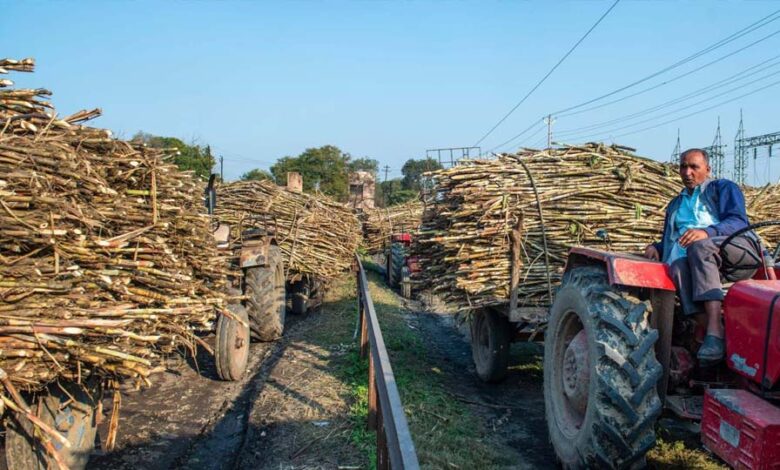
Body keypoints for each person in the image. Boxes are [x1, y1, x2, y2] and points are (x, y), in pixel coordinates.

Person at [644, 148, 762, 364]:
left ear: (707, 169)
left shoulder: (723, 188)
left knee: (699, 247)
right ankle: (711, 331)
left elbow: (738, 222)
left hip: (737, 252)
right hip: (699, 261)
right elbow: (672, 238)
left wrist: (707, 232)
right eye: (683, 167)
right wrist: (657, 247)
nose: (687, 172)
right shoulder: (675, 205)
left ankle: (715, 329)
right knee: (678, 267)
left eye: (694, 167)